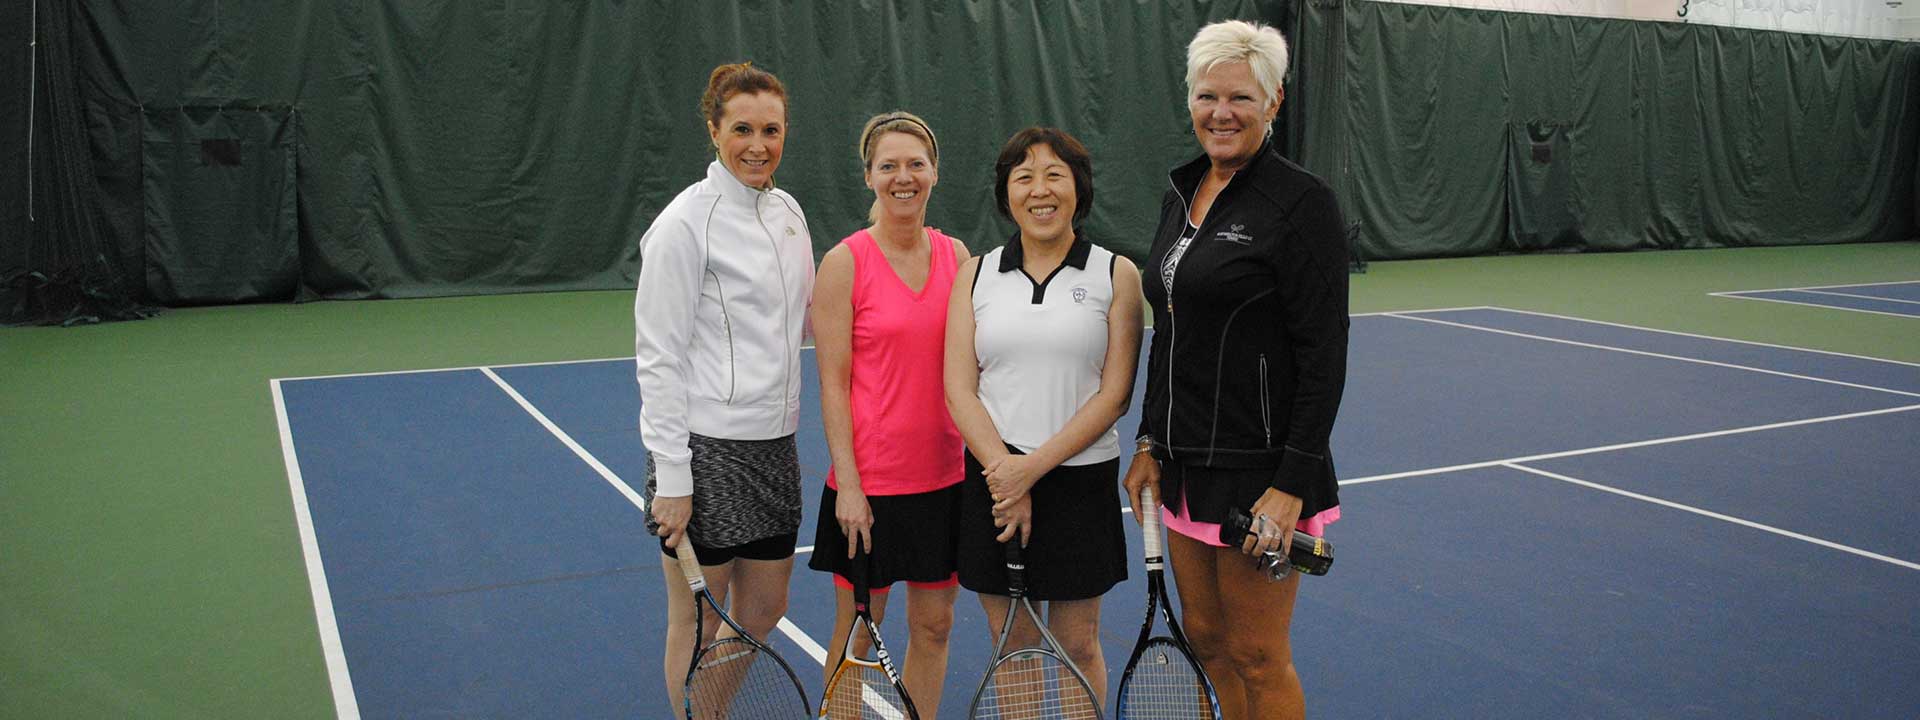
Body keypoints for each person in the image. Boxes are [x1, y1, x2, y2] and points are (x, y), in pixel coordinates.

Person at [1122, 20, 1350, 720]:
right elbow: (1171, 330)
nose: (1221, 112)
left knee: (1257, 653)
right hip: (1186, 464)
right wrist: (1149, 442)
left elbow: (1325, 352)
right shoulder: (1180, 196)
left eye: (1241, 98)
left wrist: (1291, 485)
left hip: (1262, 472)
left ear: (1274, 102)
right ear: (1189, 100)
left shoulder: (1302, 203)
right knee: (1210, 641)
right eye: (1207, 95)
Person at [633, 61, 815, 715]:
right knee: (699, 624)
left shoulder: (789, 212)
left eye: (772, 129)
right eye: (742, 128)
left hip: (775, 450)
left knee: (763, 611)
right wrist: (674, 479)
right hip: (704, 454)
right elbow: (658, 357)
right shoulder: (684, 224)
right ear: (714, 130)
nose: (758, 145)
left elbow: (805, 320)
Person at [945, 126, 1144, 702]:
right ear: (1006, 192)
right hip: (993, 482)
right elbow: (959, 388)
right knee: (1012, 647)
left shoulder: (1116, 274)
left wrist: (1029, 471)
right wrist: (1004, 474)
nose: (1040, 190)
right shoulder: (975, 273)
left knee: (1078, 645)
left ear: (1078, 189)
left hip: (1079, 485)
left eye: (1055, 175)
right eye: (1024, 177)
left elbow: (1115, 395)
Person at [807, 110, 970, 712]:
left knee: (935, 628)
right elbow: (832, 384)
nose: (904, 177)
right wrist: (848, 484)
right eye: (889, 166)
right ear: (869, 176)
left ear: (934, 173)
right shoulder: (844, 262)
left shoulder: (958, 256)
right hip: (868, 490)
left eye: (916, 165)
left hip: (945, 482)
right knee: (856, 640)